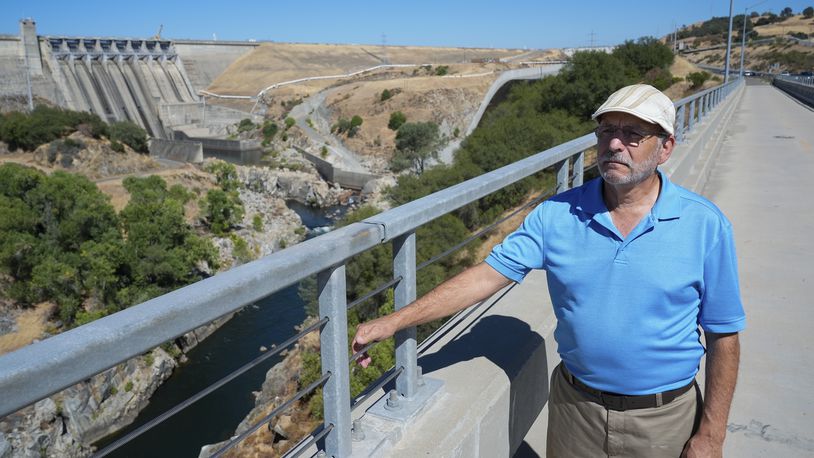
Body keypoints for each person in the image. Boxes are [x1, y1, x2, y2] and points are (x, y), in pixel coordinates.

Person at [352, 84, 745, 457]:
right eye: (607, 130)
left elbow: (724, 335)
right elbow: (485, 277)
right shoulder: (556, 215)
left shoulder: (705, 225)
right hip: (575, 411)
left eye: (633, 134)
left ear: (665, 148)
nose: (614, 144)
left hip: (664, 419)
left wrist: (712, 434)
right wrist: (394, 321)